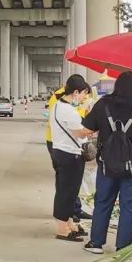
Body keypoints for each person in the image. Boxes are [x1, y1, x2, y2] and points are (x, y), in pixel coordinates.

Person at [81, 71, 132, 254]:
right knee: (129, 206)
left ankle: (96, 243)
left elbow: (88, 126)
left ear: (117, 86)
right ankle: (124, 247)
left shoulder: (103, 104)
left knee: (103, 202)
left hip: (107, 165)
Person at [48, 75, 92, 242]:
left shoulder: (58, 106)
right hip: (69, 155)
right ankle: (62, 230)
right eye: (83, 94)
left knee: (67, 191)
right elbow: (80, 132)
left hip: (61, 151)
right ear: (75, 92)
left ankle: (70, 224)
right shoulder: (68, 111)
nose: (84, 98)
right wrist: (91, 128)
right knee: (66, 193)